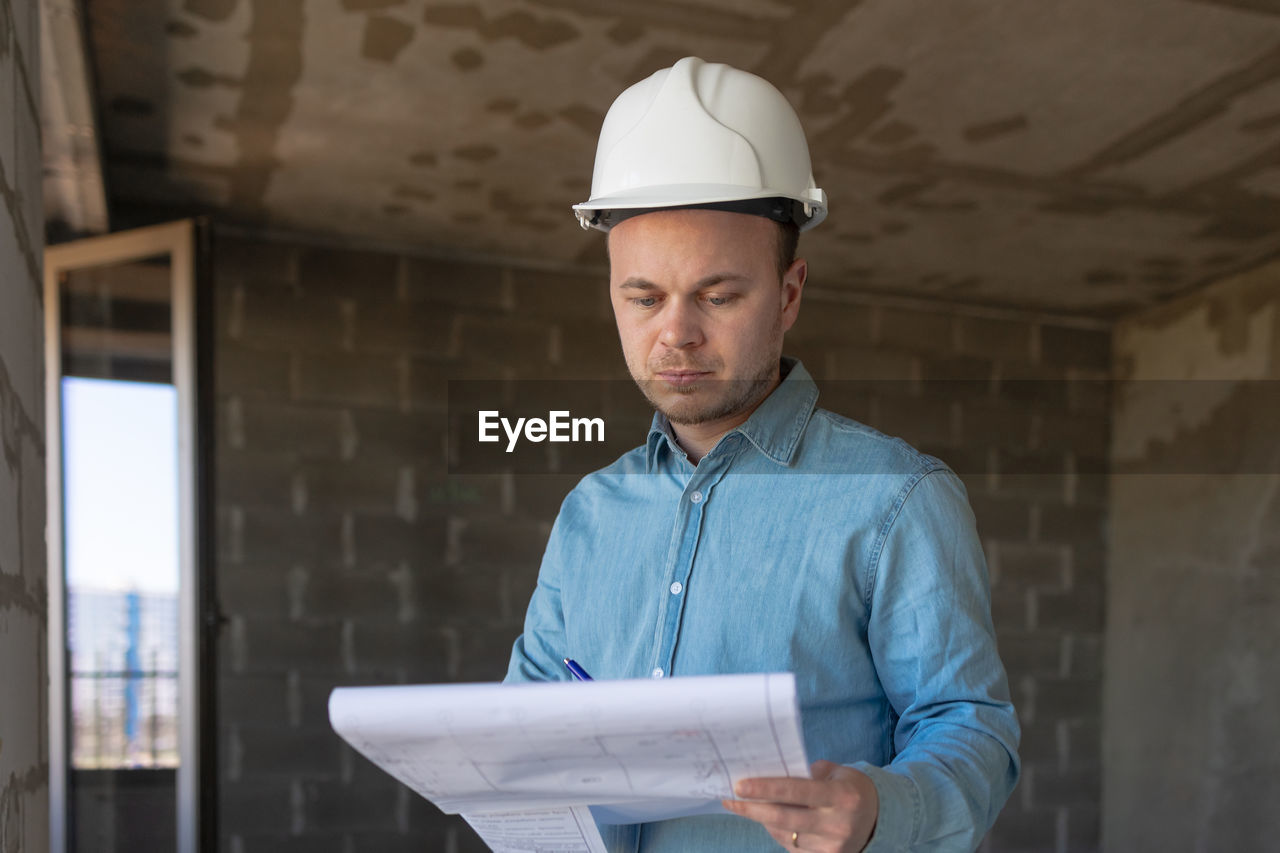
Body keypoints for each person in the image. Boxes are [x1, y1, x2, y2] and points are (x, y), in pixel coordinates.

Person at [505, 56, 1019, 852]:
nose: (674, 333)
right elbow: (524, 719)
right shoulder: (589, 514)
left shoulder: (895, 497)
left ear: (788, 295)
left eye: (718, 294)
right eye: (642, 297)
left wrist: (882, 806)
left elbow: (973, 731)